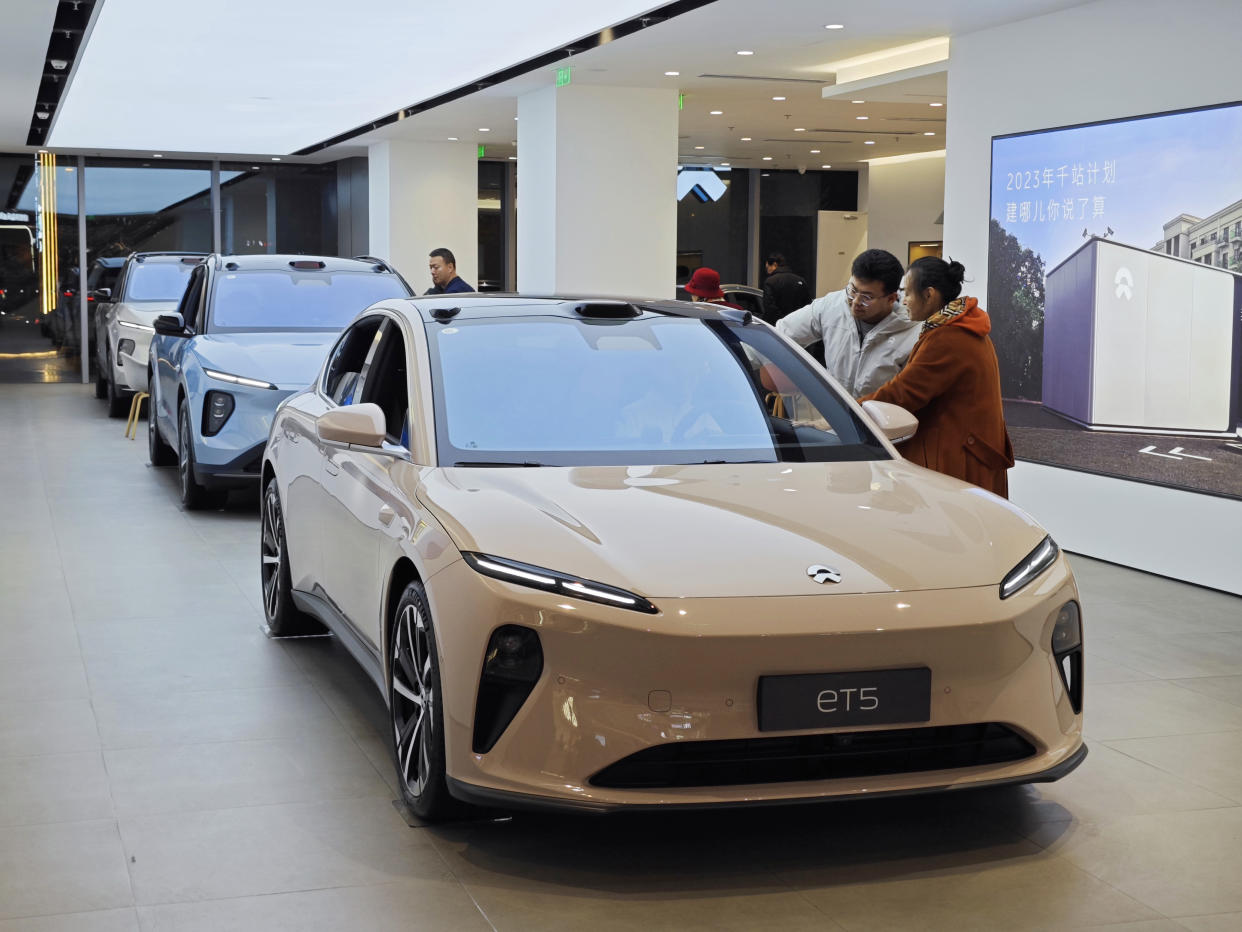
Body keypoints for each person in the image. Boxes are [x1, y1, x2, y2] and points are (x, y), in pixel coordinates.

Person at [859, 257, 1015, 497]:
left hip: (958, 466)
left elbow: (903, 394)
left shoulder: (948, 338)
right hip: (968, 458)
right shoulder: (961, 328)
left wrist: (847, 411)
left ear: (929, 294)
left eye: (908, 293)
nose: (903, 301)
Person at [776, 249, 919, 397]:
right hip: (836, 414)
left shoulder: (911, 331)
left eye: (866, 297)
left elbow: (907, 396)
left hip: (882, 418)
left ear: (891, 298)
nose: (855, 302)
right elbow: (781, 333)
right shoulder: (831, 306)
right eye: (852, 290)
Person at [761, 253, 811, 323]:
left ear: (774, 265)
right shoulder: (800, 281)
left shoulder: (770, 281)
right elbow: (807, 305)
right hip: (797, 324)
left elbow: (769, 307)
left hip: (778, 326)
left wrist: (782, 321)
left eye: (767, 267)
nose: (767, 271)